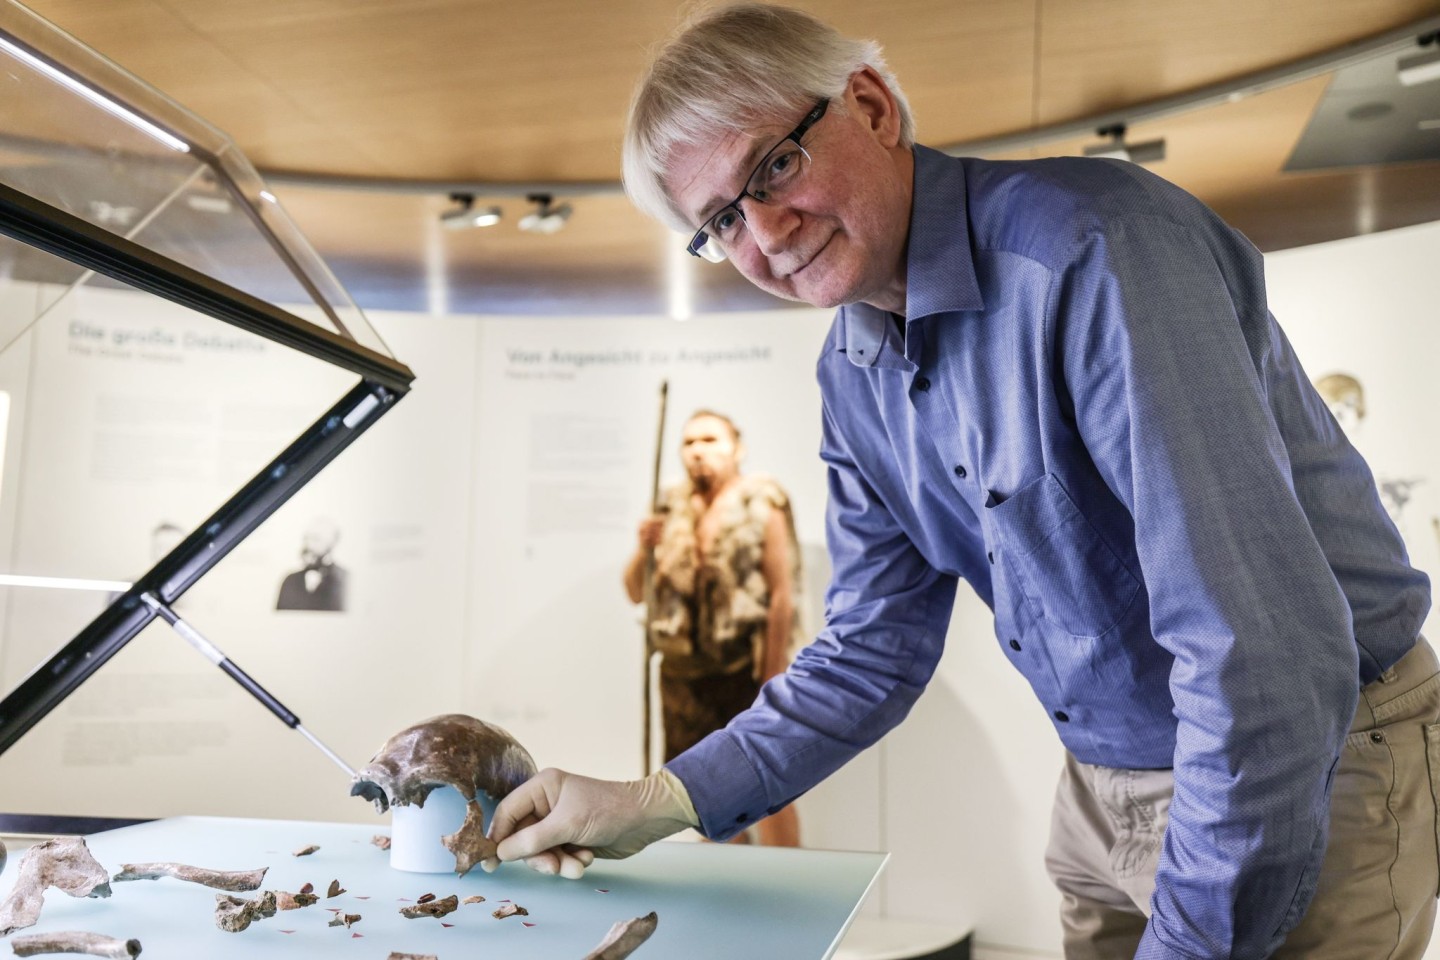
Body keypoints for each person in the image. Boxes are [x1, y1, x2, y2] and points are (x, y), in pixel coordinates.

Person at [484, 5, 1438, 958]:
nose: (766, 233)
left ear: (870, 106)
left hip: (1310, 759)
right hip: (1102, 784)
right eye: (722, 221)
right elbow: (871, 648)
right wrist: (656, 801)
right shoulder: (850, 372)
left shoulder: (1095, 250)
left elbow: (1261, 655)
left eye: (774, 166)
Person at [623, 409, 802, 846]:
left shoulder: (762, 502)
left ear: (736, 448)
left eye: (709, 439)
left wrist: (771, 676)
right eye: (689, 442)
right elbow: (634, 592)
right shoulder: (670, 506)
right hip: (683, 680)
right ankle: (730, 893)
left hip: (743, 672)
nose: (697, 450)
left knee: (770, 785)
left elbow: (782, 594)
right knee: (704, 794)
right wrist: (642, 547)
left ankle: (790, 888)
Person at [275, 517, 349, 612]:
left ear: (332, 543)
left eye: (316, 539)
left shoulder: (344, 579)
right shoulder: (290, 580)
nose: (308, 545)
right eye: (306, 538)